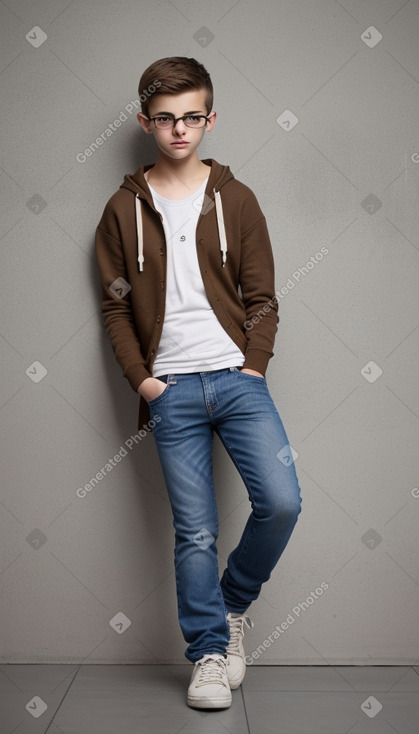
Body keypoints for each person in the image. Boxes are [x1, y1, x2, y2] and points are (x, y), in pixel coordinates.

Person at [95, 56, 302, 710]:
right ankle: (209, 655)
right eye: (164, 118)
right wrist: (144, 382)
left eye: (191, 117)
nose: (178, 129)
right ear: (145, 121)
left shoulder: (234, 200)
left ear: (209, 119)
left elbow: (263, 297)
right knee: (195, 533)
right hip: (172, 390)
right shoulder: (122, 210)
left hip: (238, 382)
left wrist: (253, 366)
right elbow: (116, 306)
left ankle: (233, 603)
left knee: (281, 502)